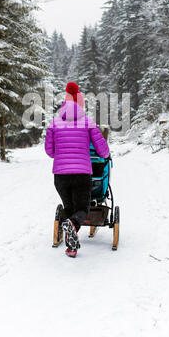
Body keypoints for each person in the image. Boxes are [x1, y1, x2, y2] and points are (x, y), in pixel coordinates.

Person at [45, 82, 109, 258]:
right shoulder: (88, 122)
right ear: (81, 104)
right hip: (82, 174)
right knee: (81, 209)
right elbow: (103, 151)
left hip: (60, 176)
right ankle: (72, 224)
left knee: (69, 207)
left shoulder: (54, 123)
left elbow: (50, 152)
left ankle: (71, 247)